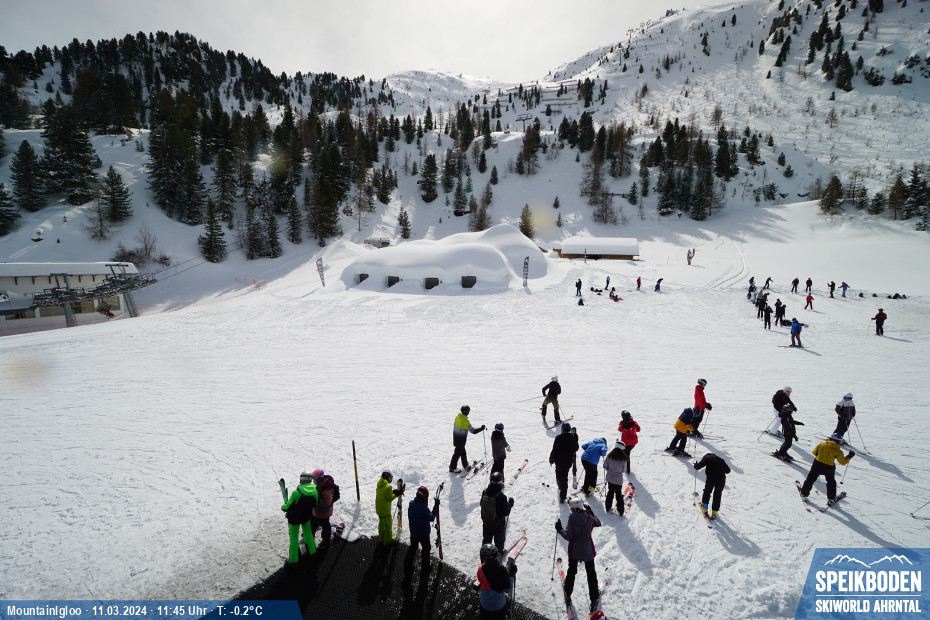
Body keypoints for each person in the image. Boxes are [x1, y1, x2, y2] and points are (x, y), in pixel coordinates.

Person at [555, 498, 602, 613]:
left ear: (575, 508)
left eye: (571, 508)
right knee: (591, 574)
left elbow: (568, 536)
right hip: (587, 551)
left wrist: (559, 529)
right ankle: (594, 598)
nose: (570, 510)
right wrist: (591, 512)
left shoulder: (572, 518)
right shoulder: (589, 518)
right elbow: (598, 522)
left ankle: (567, 593)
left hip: (575, 551)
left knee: (572, 571)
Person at [798, 434, 854, 505]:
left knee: (810, 479)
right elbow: (842, 462)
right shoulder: (838, 451)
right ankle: (831, 499)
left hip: (817, 464)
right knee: (831, 482)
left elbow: (814, 452)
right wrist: (849, 456)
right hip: (829, 467)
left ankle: (804, 493)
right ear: (838, 442)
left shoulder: (822, 444)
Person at [282, 471, 319, 564]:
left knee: (294, 538)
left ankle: (293, 560)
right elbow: (316, 503)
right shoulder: (315, 490)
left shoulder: (296, 492)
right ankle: (312, 553)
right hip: (306, 517)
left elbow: (287, 506)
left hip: (294, 519)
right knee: (308, 534)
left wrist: (283, 507)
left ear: (302, 479)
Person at [477, 543, 516, 620]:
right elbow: (507, 589)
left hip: (485, 604)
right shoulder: (502, 571)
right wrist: (511, 575)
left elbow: (487, 577)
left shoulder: (480, 569)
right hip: (498, 606)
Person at [405, 486, 437, 574]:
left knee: (413, 548)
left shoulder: (411, 503)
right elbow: (431, 517)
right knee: (426, 550)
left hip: (413, 532)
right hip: (423, 534)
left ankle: (408, 565)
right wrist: (436, 507)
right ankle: (425, 568)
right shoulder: (424, 509)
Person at [480, 471, 513, 554]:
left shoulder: (485, 492)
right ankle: (499, 554)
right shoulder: (502, 497)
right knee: (499, 542)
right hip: (498, 524)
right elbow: (505, 512)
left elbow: (481, 504)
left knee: (486, 540)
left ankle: (485, 554)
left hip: (486, 522)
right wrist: (510, 504)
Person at [693, 453, 731, 519]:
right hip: (721, 479)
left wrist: (696, 465)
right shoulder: (721, 459)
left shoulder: (706, 458)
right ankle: (714, 512)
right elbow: (728, 471)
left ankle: (705, 508)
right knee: (717, 494)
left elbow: (698, 467)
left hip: (711, 478)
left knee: (707, 492)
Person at [549, 423, 579, 503]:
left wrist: (551, 457)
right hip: (567, 462)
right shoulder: (572, 438)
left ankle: (560, 486)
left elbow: (554, 449)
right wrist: (576, 438)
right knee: (564, 478)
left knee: (558, 475)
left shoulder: (558, 437)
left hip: (558, 461)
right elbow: (576, 448)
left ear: (562, 429)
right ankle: (563, 496)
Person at [450, 405, 486, 473]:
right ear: (467, 412)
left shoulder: (458, 417)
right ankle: (452, 467)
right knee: (457, 454)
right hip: (461, 440)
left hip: (456, 438)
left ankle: (465, 464)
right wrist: (481, 428)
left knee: (462, 452)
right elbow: (473, 431)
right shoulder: (465, 421)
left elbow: (467, 427)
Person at [309, 469, 338, 549]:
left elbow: (326, 503)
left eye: (314, 479)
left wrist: (314, 505)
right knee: (313, 521)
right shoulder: (319, 484)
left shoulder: (326, 489)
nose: (313, 481)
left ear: (318, 478)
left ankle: (326, 539)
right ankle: (310, 534)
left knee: (325, 525)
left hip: (324, 511)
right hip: (317, 511)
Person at [376, 471, 404, 545]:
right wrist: (397, 494)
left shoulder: (380, 484)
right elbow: (389, 498)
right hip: (385, 510)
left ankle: (381, 538)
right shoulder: (388, 486)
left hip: (379, 509)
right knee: (388, 526)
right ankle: (388, 541)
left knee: (382, 524)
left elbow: (384, 494)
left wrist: (393, 492)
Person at [603, 441, 629, 515]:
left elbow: (605, 466)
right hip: (618, 480)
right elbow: (624, 470)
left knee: (610, 492)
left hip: (610, 478)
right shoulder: (623, 459)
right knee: (618, 494)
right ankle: (621, 511)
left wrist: (610, 470)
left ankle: (608, 507)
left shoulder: (609, 456)